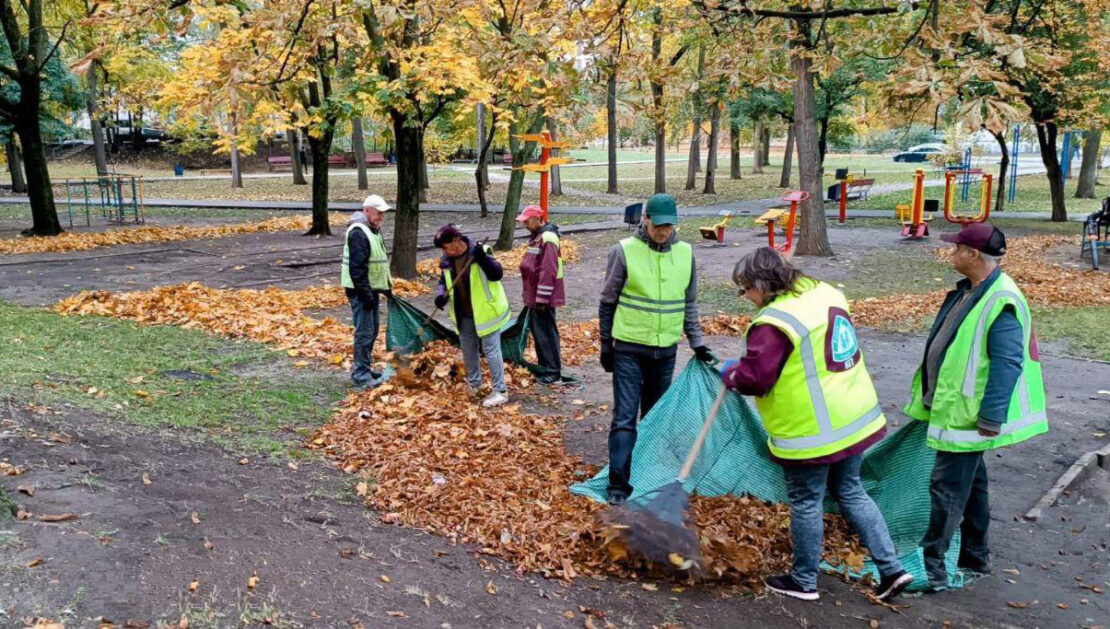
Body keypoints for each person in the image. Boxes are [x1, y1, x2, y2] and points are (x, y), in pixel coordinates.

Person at [722, 247, 913, 602]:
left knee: (807, 500)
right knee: (852, 491)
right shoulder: (824, 292)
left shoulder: (774, 322)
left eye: (746, 289)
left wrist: (734, 373)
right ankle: (892, 570)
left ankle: (804, 581)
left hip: (813, 430)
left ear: (762, 286)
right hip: (853, 418)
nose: (746, 297)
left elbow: (757, 380)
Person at [905, 223, 1048, 591]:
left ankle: (932, 567)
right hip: (957, 409)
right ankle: (975, 555)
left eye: (956, 249)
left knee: (947, 489)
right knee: (973, 485)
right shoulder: (971, 291)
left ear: (972, 255)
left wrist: (991, 416)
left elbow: (1007, 362)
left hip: (967, 416)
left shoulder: (1001, 300)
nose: (950, 254)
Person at [599, 193, 716, 506]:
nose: (664, 231)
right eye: (659, 225)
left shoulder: (686, 253)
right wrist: (605, 344)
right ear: (645, 219)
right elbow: (608, 301)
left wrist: (697, 342)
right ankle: (618, 486)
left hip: (665, 352)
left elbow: (688, 303)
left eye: (670, 226)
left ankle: (647, 477)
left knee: (655, 418)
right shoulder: (623, 252)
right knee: (625, 417)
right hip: (628, 349)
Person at [433, 225, 511, 408]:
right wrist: (440, 294)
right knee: (468, 350)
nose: (443, 251)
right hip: (463, 313)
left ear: (455, 241)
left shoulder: (480, 251)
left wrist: (482, 259)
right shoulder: (446, 259)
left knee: (491, 350)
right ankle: (475, 384)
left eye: (445, 246)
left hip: (486, 311)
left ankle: (500, 391)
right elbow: (443, 281)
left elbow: (496, 274)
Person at [341, 194, 393, 389]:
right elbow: (357, 269)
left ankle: (365, 368)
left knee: (372, 331)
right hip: (361, 291)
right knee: (364, 332)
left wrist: (385, 289)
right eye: (379, 213)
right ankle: (360, 373)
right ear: (367, 210)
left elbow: (376, 264)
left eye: (383, 213)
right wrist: (366, 295)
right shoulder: (358, 232)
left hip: (371, 290)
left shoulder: (372, 230)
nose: (382, 217)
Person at [517, 205, 565, 384]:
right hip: (535, 297)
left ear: (538, 219)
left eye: (527, 221)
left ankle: (553, 371)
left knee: (546, 334)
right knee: (540, 334)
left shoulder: (547, 238)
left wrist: (542, 298)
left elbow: (547, 270)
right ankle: (546, 368)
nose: (525, 225)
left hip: (542, 299)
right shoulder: (538, 237)